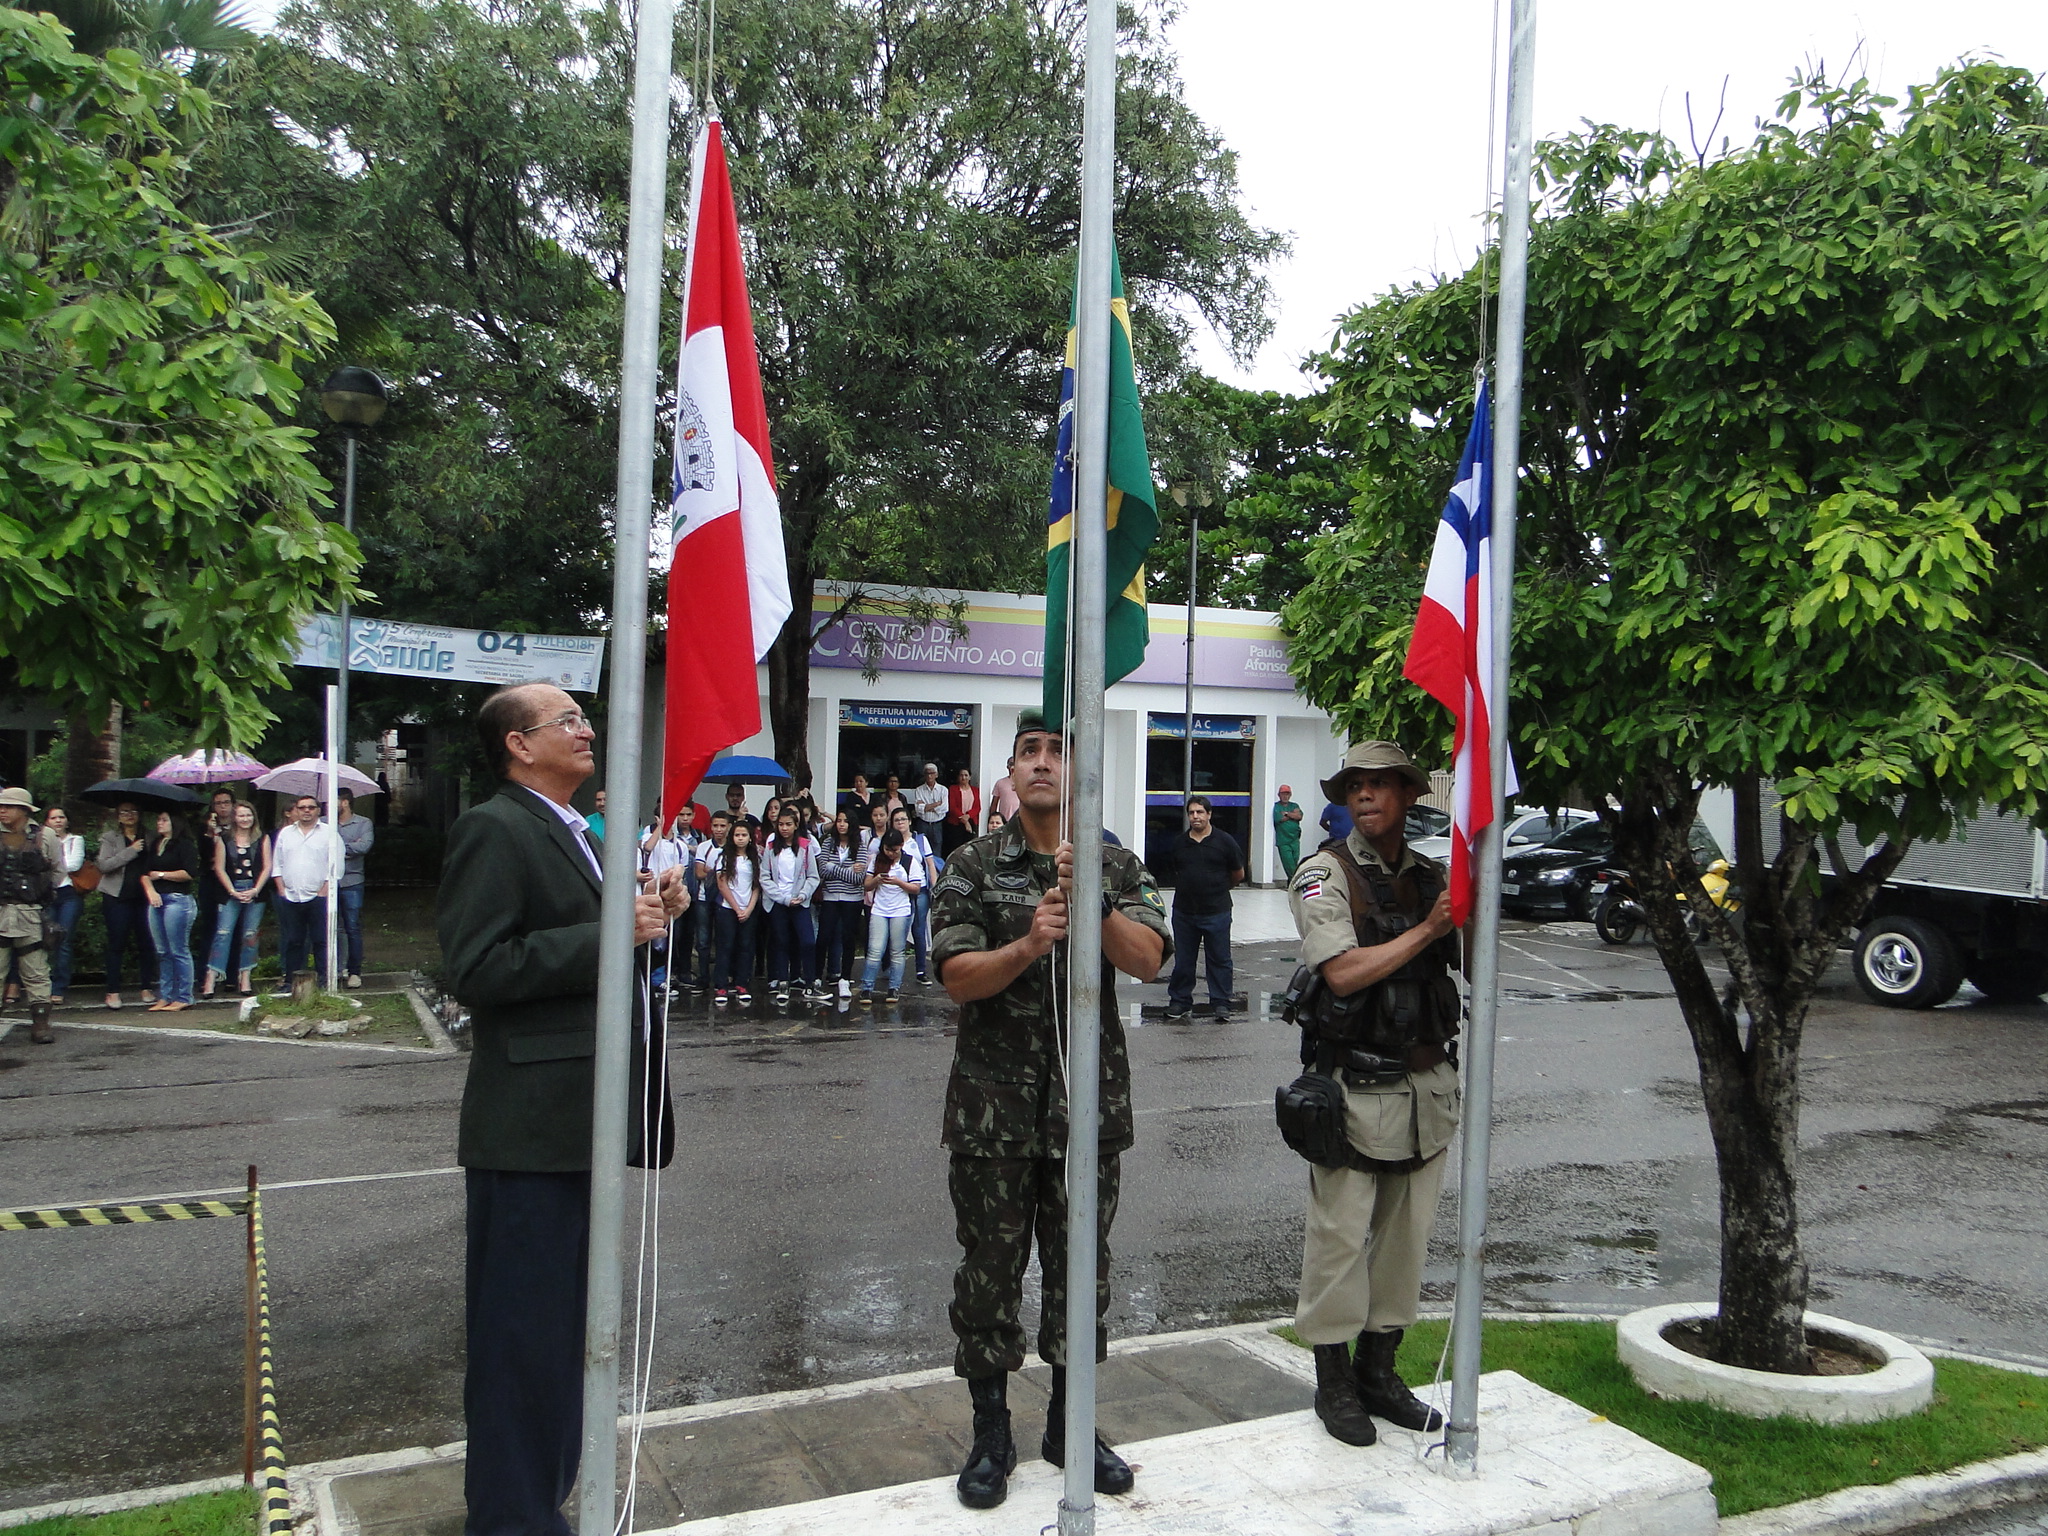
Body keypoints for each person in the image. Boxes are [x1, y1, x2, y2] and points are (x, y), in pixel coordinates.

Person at [435, 682, 683, 1536]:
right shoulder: (495, 827)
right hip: (528, 1132)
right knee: (520, 1347)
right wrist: (613, 930)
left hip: (577, 1124)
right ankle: (510, 1520)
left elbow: (593, 945)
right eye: (567, 721)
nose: (587, 731)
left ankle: (542, 1504)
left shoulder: (573, 832)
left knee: (563, 1342)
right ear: (517, 745)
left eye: (583, 718)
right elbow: (478, 967)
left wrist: (650, 914)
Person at [928, 710, 1171, 1510]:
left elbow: (1149, 962)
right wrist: (1030, 943)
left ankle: (1071, 1424)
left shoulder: (1116, 862)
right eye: (1029, 752)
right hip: (992, 1117)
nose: (1042, 765)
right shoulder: (969, 863)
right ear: (1009, 772)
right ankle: (991, 1432)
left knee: (1080, 1275)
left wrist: (1092, 904)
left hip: (1085, 1114)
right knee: (989, 1278)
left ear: (1078, 773)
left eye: (1058, 753)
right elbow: (958, 977)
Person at [1286, 741, 1464, 1449]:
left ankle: (1379, 1372)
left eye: (1381, 784)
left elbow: (1467, 952)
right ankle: (1333, 1381)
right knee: (1338, 1240)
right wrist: (1429, 929)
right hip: (1354, 1088)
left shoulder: (1432, 876)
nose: (1365, 796)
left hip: (1426, 1086)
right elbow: (1343, 973)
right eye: (1354, 785)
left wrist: (1470, 903)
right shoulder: (1323, 874)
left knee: (1405, 1241)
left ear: (1409, 795)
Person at [1164, 795, 1245, 1020]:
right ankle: (1180, 1002)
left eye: (1200, 812)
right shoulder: (1179, 843)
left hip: (1217, 912)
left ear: (1209, 814)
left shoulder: (1225, 841)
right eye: (1191, 813)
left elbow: (1238, 873)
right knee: (1183, 960)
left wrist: (1217, 888)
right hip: (1184, 913)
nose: (1195, 816)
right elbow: (1175, 871)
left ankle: (1221, 1003)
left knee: (1219, 959)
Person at [0, 787, 63, 1043]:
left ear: (24, 810)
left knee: (36, 971)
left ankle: (40, 1023)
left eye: (8, 806)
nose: (2, 810)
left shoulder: (45, 836)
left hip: (31, 914)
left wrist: (40, 896)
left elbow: (58, 872)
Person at [271, 793, 341, 995]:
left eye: (311, 807)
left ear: (318, 810)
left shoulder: (329, 833)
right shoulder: (286, 833)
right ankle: (292, 982)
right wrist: (281, 890)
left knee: (320, 940)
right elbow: (278, 864)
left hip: (318, 896)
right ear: (296, 810)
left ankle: (323, 982)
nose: (307, 811)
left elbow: (336, 865)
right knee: (293, 941)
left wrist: (324, 890)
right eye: (302, 807)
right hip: (292, 896)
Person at [207, 801, 271, 997]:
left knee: (250, 934)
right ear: (235, 817)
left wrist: (256, 889)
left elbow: (267, 866)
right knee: (223, 933)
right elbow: (219, 867)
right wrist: (232, 891)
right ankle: (211, 977)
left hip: (254, 889)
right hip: (230, 890)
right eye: (241, 815)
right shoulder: (224, 839)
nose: (245, 819)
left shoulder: (262, 838)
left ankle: (245, 977)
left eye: (248, 815)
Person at [96, 801, 156, 1009]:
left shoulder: (150, 835)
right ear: (118, 816)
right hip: (117, 896)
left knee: (146, 943)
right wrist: (130, 851)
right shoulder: (110, 838)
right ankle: (112, 991)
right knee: (117, 943)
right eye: (125, 812)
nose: (130, 815)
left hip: (145, 896)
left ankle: (146, 987)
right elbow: (104, 865)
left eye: (134, 811)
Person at [138, 809, 200, 1011]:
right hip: (156, 900)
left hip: (177, 900)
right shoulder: (156, 844)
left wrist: (163, 875)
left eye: (164, 819)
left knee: (178, 949)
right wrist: (150, 891)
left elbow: (189, 873)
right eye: (158, 819)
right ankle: (165, 995)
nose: (159, 823)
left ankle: (184, 996)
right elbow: (145, 873)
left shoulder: (185, 845)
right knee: (163, 951)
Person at [761, 807, 822, 1003]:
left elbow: (813, 876)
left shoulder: (805, 846)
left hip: (800, 902)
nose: (784, 828)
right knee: (781, 942)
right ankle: (782, 983)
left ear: (796, 825)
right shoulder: (771, 848)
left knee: (808, 941)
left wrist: (803, 895)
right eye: (781, 824)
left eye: (788, 824)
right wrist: (782, 898)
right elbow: (765, 877)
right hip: (779, 902)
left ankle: (810, 984)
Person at [858, 828, 922, 1004]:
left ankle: (894, 987)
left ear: (901, 846)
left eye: (894, 850)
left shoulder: (909, 862)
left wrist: (899, 882)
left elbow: (916, 887)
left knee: (897, 951)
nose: (890, 854)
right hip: (879, 909)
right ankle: (866, 988)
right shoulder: (877, 861)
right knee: (875, 950)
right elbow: (867, 885)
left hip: (901, 910)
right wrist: (877, 879)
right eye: (887, 849)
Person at [709, 818, 762, 1005]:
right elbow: (721, 884)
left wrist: (748, 909)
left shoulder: (755, 858)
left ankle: (742, 983)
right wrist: (737, 907)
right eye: (737, 835)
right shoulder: (724, 857)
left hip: (748, 909)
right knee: (725, 947)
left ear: (750, 838)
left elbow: (757, 885)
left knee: (746, 947)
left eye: (744, 835)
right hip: (727, 908)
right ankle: (721, 985)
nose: (740, 839)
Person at [815, 809, 865, 1000]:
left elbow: (858, 877)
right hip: (830, 897)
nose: (841, 824)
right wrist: (845, 869)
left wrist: (833, 867)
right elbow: (822, 871)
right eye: (839, 821)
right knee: (824, 937)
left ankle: (845, 978)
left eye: (845, 821)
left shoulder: (859, 845)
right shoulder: (828, 842)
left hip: (852, 899)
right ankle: (817, 977)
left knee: (848, 938)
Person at [191, 788, 236, 992]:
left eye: (226, 802)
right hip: (210, 881)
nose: (223, 806)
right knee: (210, 928)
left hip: (234, 880)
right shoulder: (204, 828)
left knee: (233, 929)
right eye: (218, 803)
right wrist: (211, 834)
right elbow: (205, 855)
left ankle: (231, 975)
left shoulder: (240, 825)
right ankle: (205, 975)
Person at [889, 804, 940, 985]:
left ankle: (920, 971)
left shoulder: (920, 840)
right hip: (897, 892)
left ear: (910, 821)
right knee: (897, 931)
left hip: (921, 891)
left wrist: (935, 886)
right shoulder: (889, 842)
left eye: (903, 819)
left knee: (918, 930)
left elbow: (930, 864)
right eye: (896, 820)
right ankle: (894, 971)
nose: (900, 822)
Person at [43, 806, 86, 1007]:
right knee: (45, 940)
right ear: (47, 822)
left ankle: (59, 987)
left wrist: (52, 863)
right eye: (53, 818)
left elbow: (74, 864)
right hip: (46, 893)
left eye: (61, 817)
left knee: (64, 940)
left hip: (68, 893)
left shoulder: (75, 840)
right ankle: (43, 985)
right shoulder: (39, 840)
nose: (58, 820)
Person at [335, 787, 375, 989]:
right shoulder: (324, 823)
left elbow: (364, 847)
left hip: (352, 881)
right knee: (332, 927)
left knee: (352, 927)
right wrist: (350, 846)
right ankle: (335, 968)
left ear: (345, 802)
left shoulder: (363, 823)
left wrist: (339, 847)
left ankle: (354, 971)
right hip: (329, 881)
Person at [691, 810, 732, 993]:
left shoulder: (733, 847)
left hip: (725, 899)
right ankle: (703, 977)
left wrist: (712, 870)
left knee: (724, 939)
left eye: (722, 826)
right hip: (704, 898)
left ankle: (722, 977)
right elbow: (698, 872)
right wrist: (717, 872)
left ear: (729, 827)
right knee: (703, 940)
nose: (719, 830)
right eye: (715, 825)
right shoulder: (704, 847)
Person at [943, 767, 982, 856]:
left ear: (970, 777)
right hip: (956, 823)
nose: (963, 777)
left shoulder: (975, 790)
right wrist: (965, 822)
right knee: (956, 848)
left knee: (969, 848)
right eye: (961, 775)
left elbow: (977, 807)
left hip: (971, 822)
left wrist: (967, 816)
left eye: (966, 775)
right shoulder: (953, 789)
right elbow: (952, 807)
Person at [913, 762, 949, 851]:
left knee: (936, 851)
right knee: (921, 849)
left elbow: (944, 808)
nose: (929, 776)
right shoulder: (919, 790)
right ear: (924, 775)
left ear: (936, 775)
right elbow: (918, 809)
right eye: (927, 773)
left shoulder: (943, 790)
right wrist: (936, 804)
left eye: (932, 773)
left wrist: (926, 806)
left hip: (937, 824)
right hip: (923, 824)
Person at [1273, 783, 1305, 879]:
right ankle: (1295, 882)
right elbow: (1279, 819)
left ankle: (1290, 883)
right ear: (1279, 795)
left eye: (1287, 794)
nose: (1285, 796)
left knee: (1295, 861)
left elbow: (1299, 816)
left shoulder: (1294, 805)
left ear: (1290, 795)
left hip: (1295, 839)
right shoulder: (1276, 806)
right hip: (1283, 841)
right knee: (1289, 865)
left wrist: (1286, 814)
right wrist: (1292, 815)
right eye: (1283, 794)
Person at [987, 758, 1021, 824]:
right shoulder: (1000, 783)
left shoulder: (1023, 782)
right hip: (1004, 820)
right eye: (1011, 764)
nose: (1012, 766)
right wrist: (992, 819)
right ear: (1007, 767)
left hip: (1019, 819)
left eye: (1015, 764)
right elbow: (994, 803)